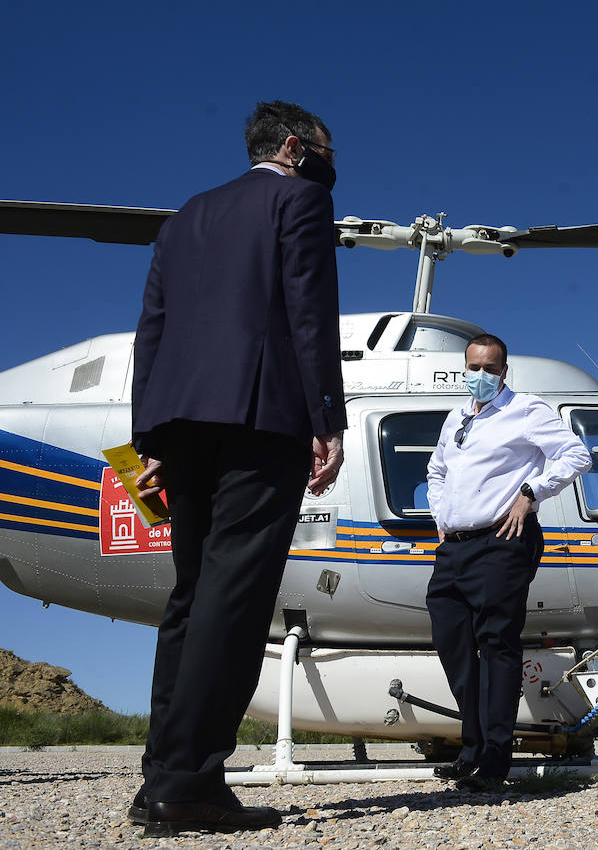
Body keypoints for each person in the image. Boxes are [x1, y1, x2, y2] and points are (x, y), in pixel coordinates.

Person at [130, 100, 346, 835]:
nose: (329, 165)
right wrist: (327, 418)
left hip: (180, 421)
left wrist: (148, 436)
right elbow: (309, 311)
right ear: (294, 146)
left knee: (191, 595)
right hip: (262, 415)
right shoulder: (301, 198)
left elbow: (151, 326)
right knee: (235, 596)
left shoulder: (186, 214)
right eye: (323, 150)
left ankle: (159, 773)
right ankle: (190, 780)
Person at [425, 334, 591, 788]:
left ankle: (495, 758)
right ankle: (472, 745)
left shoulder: (527, 410)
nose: (480, 376)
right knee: (452, 642)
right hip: (455, 546)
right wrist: (441, 515)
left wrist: (531, 493)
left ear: (504, 371)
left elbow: (577, 455)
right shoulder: (456, 417)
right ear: (464, 367)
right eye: (473, 367)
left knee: (496, 643)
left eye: (490, 369)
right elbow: (436, 469)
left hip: (503, 539)